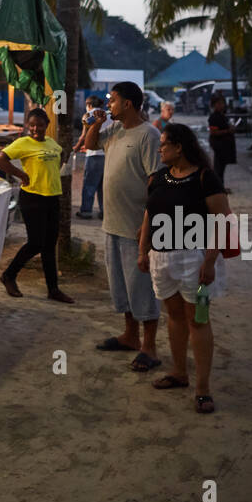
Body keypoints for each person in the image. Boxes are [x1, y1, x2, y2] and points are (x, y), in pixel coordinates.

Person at [138, 123, 234, 414]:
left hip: (197, 261)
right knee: (176, 317)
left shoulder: (206, 178)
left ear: (179, 147)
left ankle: (203, 389)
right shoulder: (157, 178)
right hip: (162, 260)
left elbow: (223, 219)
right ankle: (180, 373)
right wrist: (143, 251)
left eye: (164, 144)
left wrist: (209, 260)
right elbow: (148, 215)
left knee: (199, 320)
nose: (159, 149)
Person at [84, 81, 161, 370]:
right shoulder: (115, 129)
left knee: (143, 287)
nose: (108, 105)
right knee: (122, 287)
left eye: (112, 100)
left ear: (127, 104)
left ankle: (150, 347)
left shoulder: (149, 135)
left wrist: (149, 224)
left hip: (135, 227)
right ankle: (130, 335)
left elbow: (156, 182)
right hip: (112, 223)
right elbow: (90, 145)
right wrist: (96, 122)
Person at [0, 107, 75, 303]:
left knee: (49, 245)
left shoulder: (51, 143)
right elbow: (0, 159)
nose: (35, 129)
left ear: (47, 125)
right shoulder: (23, 143)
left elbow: (61, 154)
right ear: (27, 126)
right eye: (31, 125)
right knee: (36, 243)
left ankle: (53, 289)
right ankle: (9, 275)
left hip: (52, 198)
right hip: (32, 198)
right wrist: (21, 175)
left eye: (40, 125)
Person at [74, 93, 105, 219]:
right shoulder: (107, 114)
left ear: (89, 105)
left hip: (94, 155)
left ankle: (86, 211)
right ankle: (104, 211)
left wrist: (76, 148)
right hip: (107, 154)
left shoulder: (89, 115)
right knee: (103, 185)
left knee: (89, 184)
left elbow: (83, 136)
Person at [207, 94, 237, 190]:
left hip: (224, 144)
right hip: (218, 144)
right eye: (219, 103)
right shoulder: (214, 117)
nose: (221, 105)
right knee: (218, 167)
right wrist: (228, 131)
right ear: (214, 105)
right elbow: (214, 132)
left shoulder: (222, 115)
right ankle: (218, 188)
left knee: (221, 167)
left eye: (222, 103)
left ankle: (220, 186)